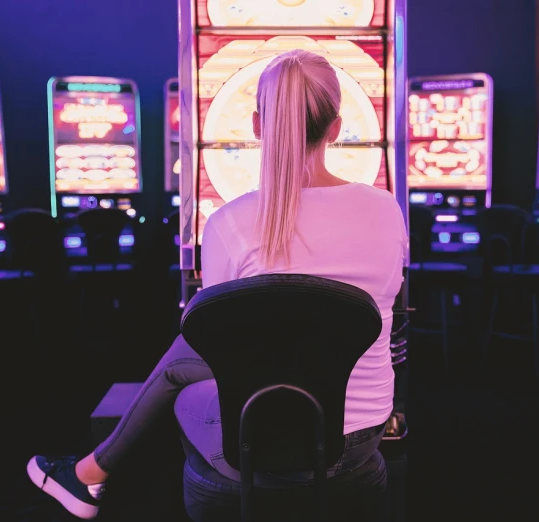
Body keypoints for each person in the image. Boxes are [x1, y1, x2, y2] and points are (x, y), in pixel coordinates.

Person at [27, 49, 407, 520]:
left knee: (183, 369)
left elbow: (219, 350)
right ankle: (90, 473)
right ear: (335, 127)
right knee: (187, 358)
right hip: (363, 432)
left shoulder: (230, 222)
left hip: (259, 440)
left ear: (256, 125)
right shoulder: (387, 210)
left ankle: (91, 474)